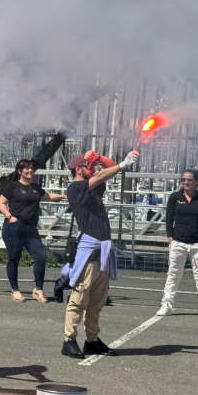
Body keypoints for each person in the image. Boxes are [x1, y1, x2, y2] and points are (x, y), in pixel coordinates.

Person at [60, 149, 138, 359]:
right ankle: (69, 340)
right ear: (78, 169)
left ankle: (92, 340)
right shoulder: (75, 188)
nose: (93, 169)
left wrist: (99, 157)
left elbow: (108, 169)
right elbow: (106, 173)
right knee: (79, 298)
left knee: (97, 301)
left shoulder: (93, 186)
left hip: (102, 250)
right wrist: (123, 164)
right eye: (88, 167)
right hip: (89, 250)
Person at [0, 159, 66, 303]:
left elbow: (48, 197)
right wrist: (9, 217)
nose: (30, 171)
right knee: (14, 259)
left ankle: (38, 290)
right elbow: (1, 203)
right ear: (20, 172)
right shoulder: (13, 186)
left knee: (41, 256)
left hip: (31, 228)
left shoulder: (35, 187)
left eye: (31, 168)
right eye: (26, 169)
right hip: (14, 227)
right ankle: (15, 290)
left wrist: (66, 196)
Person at [157, 169, 198, 319]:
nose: (186, 182)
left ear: (196, 181)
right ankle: (166, 305)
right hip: (178, 242)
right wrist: (170, 238)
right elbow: (169, 219)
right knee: (173, 275)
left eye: (189, 180)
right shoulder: (174, 197)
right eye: (183, 179)